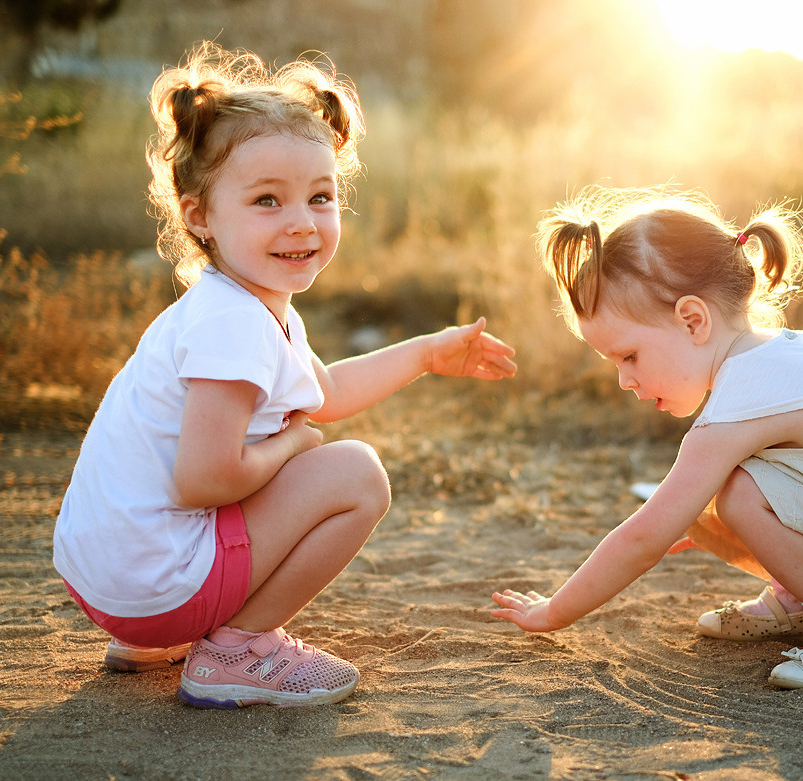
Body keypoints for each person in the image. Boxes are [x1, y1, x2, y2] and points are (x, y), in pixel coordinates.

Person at [54, 42, 517, 709]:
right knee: (357, 475)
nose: (302, 222)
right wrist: (291, 446)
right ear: (199, 217)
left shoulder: (239, 304)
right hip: (154, 583)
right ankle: (237, 649)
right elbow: (205, 480)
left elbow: (321, 393)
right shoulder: (234, 323)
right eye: (267, 200)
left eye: (320, 197)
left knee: (326, 458)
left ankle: (167, 634)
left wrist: (425, 352)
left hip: (114, 581)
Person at [490, 185, 803, 688]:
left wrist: (554, 611)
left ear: (693, 320)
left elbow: (644, 537)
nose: (624, 380)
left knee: (734, 493)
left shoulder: (747, 392)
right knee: (715, 490)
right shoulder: (787, 355)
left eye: (629, 356)